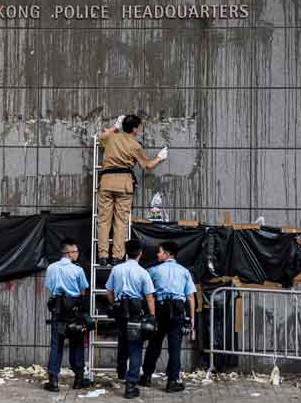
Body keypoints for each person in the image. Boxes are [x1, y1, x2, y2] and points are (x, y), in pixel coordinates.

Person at [97, 114, 167, 267]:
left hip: (106, 183)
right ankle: (116, 256)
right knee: (120, 222)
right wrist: (160, 157)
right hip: (124, 185)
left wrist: (115, 127)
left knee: (103, 220)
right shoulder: (135, 145)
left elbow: (100, 138)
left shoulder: (111, 138)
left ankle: (102, 256)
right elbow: (146, 166)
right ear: (134, 128)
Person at [139, 241, 196, 393]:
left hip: (160, 308)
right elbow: (190, 297)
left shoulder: (153, 271)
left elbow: (146, 291)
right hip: (177, 310)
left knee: (154, 344)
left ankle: (146, 377)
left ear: (167, 254)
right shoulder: (184, 272)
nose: (157, 254)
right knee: (174, 348)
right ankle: (172, 381)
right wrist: (192, 320)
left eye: (159, 252)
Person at [105, 239, 156, 399]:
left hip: (120, 310)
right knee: (135, 347)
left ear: (126, 253)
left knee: (123, 340)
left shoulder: (116, 269)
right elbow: (149, 298)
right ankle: (131, 385)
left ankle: (121, 371)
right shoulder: (143, 272)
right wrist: (153, 317)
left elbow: (108, 292)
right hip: (135, 312)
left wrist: (114, 304)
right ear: (140, 253)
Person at [43, 238, 91, 392]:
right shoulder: (77, 270)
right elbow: (83, 290)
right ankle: (78, 379)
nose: (77, 254)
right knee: (76, 345)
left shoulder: (51, 268)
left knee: (56, 346)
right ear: (69, 253)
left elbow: (50, 288)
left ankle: (53, 381)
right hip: (74, 312)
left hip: (58, 311)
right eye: (75, 251)